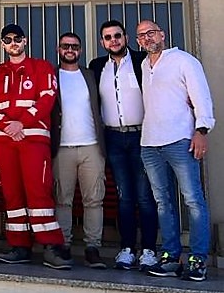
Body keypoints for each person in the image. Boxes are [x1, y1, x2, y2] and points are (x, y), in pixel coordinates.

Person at [0, 23, 70, 269]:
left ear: (25, 41)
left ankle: (52, 247)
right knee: (11, 193)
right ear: (2, 44)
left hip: (33, 139)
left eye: (17, 38)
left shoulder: (41, 67)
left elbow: (47, 98)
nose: (13, 42)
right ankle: (19, 246)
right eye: (8, 39)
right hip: (3, 140)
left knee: (38, 191)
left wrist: (21, 123)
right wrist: (7, 125)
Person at [137, 20, 215, 282]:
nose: (147, 38)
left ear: (162, 34)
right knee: (163, 202)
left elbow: (200, 97)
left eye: (151, 33)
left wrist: (202, 131)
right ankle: (171, 256)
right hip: (150, 143)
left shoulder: (184, 61)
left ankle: (198, 259)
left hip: (181, 140)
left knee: (192, 199)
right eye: (141, 36)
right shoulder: (144, 65)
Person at [88, 20, 157, 271]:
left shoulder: (142, 61)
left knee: (145, 196)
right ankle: (126, 249)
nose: (113, 40)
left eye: (117, 36)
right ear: (102, 42)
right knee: (124, 197)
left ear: (126, 37)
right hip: (114, 139)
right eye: (108, 37)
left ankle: (149, 250)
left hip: (141, 137)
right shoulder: (97, 67)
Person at [50, 32, 106, 269]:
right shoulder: (50, 75)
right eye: (65, 46)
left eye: (74, 46)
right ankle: (63, 245)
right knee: (62, 199)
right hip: (62, 147)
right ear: (58, 49)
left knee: (94, 200)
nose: (70, 49)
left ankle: (93, 247)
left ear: (80, 50)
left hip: (92, 145)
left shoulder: (91, 75)